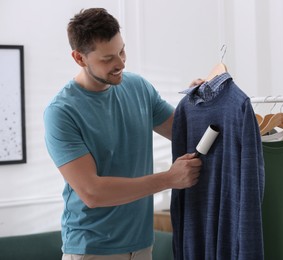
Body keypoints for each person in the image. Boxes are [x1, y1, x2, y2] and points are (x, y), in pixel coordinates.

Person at [44, 8, 202, 260]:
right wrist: (169, 179)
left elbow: (184, 132)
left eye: (122, 51)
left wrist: (200, 104)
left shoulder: (138, 88)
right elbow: (92, 192)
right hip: (91, 250)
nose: (120, 63)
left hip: (141, 245)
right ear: (79, 58)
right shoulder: (61, 112)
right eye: (107, 59)